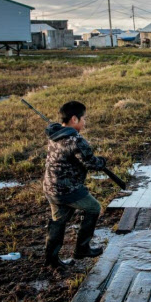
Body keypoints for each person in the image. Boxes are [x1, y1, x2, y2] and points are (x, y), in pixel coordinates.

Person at [43, 101, 107, 268]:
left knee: (58, 220)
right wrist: (102, 161)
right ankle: (82, 248)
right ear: (74, 119)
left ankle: (51, 259)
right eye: (84, 119)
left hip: (50, 186)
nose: (85, 122)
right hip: (67, 189)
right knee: (94, 208)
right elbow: (92, 163)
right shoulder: (75, 139)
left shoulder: (54, 133)